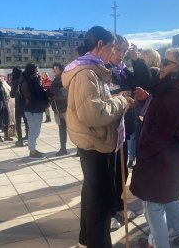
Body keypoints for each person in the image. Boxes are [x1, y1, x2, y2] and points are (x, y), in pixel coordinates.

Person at [62, 26, 134, 248]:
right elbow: (93, 113)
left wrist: (116, 98)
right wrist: (121, 101)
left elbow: (95, 104)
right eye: (111, 47)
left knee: (93, 194)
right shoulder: (86, 72)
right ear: (100, 45)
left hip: (96, 140)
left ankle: (88, 240)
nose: (113, 52)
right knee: (100, 200)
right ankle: (98, 243)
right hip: (95, 141)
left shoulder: (91, 69)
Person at [131, 48, 179, 248]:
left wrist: (143, 152)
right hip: (168, 158)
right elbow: (162, 116)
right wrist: (147, 100)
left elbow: (162, 132)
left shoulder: (175, 95)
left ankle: (159, 244)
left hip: (161, 159)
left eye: (166, 62)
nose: (161, 65)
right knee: (165, 197)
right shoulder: (172, 89)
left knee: (152, 205)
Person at [105, 35, 150, 230]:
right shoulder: (101, 69)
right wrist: (119, 96)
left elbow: (142, 82)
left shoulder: (124, 70)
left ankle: (117, 205)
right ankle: (108, 211)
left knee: (121, 170)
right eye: (117, 49)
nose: (120, 54)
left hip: (125, 125)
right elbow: (101, 97)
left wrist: (136, 59)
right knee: (110, 170)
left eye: (123, 50)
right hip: (108, 127)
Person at [20, 63, 49, 158]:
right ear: (32, 71)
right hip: (34, 110)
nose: (38, 73)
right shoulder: (33, 81)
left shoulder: (23, 80)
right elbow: (38, 95)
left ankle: (33, 149)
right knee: (34, 131)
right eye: (37, 71)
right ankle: (32, 151)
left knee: (33, 130)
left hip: (29, 109)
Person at [49, 62, 68, 156]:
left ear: (61, 69)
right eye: (53, 69)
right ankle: (63, 148)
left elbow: (66, 92)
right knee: (62, 129)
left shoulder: (65, 78)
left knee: (72, 130)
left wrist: (51, 90)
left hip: (66, 108)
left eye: (56, 68)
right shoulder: (55, 80)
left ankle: (79, 149)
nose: (54, 70)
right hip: (58, 108)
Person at [10, 67, 29, 147]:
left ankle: (20, 141)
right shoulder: (25, 79)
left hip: (19, 105)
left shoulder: (15, 81)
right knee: (26, 121)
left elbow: (12, 95)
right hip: (27, 104)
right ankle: (28, 137)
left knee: (18, 123)